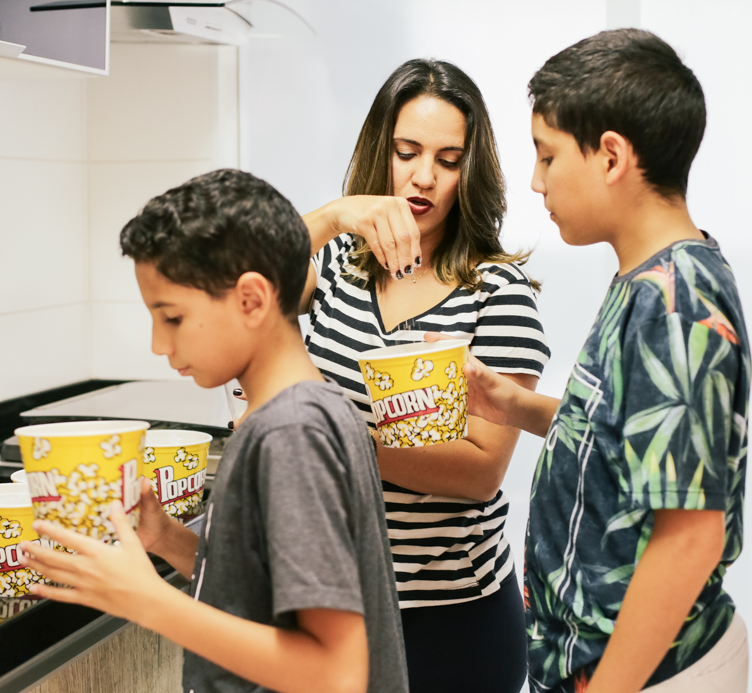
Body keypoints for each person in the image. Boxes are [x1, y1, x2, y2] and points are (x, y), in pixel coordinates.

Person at [433, 29, 751, 693]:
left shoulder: (675, 304)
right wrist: (515, 405)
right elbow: (629, 434)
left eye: (547, 156)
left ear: (610, 156)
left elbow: (690, 537)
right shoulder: (647, 279)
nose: (536, 180)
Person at [18, 169, 409, 693]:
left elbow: (335, 674)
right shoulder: (315, 411)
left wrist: (148, 600)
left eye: (172, 317)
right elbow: (257, 593)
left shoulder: (290, 434)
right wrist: (166, 538)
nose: (159, 344)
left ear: (251, 300)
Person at [300, 59, 550, 692]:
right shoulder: (335, 264)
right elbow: (230, 285)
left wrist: (328, 438)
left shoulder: (497, 290)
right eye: (407, 152)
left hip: (452, 620)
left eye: (447, 159)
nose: (422, 177)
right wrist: (332, 217)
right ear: (381, 151)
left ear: (471, 169)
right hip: (333, 604)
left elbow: (480, 470)